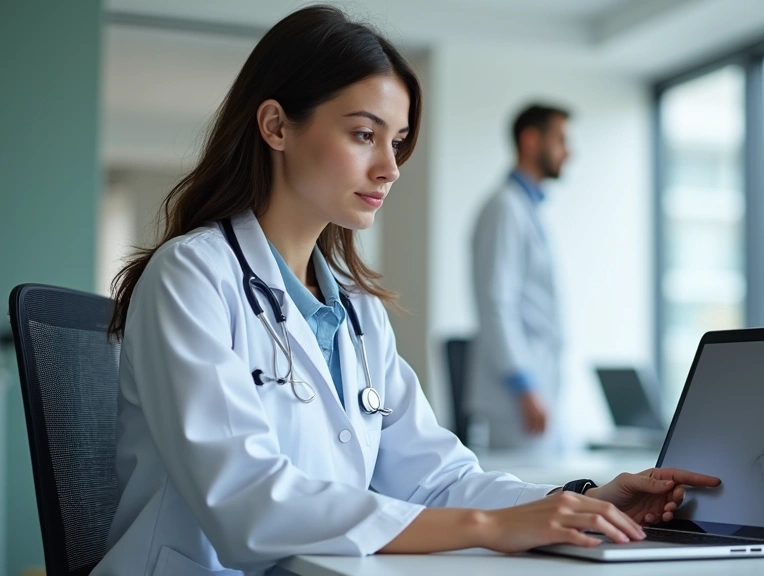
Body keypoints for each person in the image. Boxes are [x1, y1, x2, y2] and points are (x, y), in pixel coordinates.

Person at [94, 6, 720, 575]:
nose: (390, 167)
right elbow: (249, 503)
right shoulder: (190, 277)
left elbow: (436, 479)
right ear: (276, 126)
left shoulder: (358, 314)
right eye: (364, 135)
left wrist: (581, 501)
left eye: (396, 142)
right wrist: (494, 527)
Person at [468, 103, 571, 451]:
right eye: (560, 139)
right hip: (517, 400)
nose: (568, 151)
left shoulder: (528, 209)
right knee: (530, 497)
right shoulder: (505, 208)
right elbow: (497, 304)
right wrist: (525, 387)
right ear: (530, 140)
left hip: (538, 389)